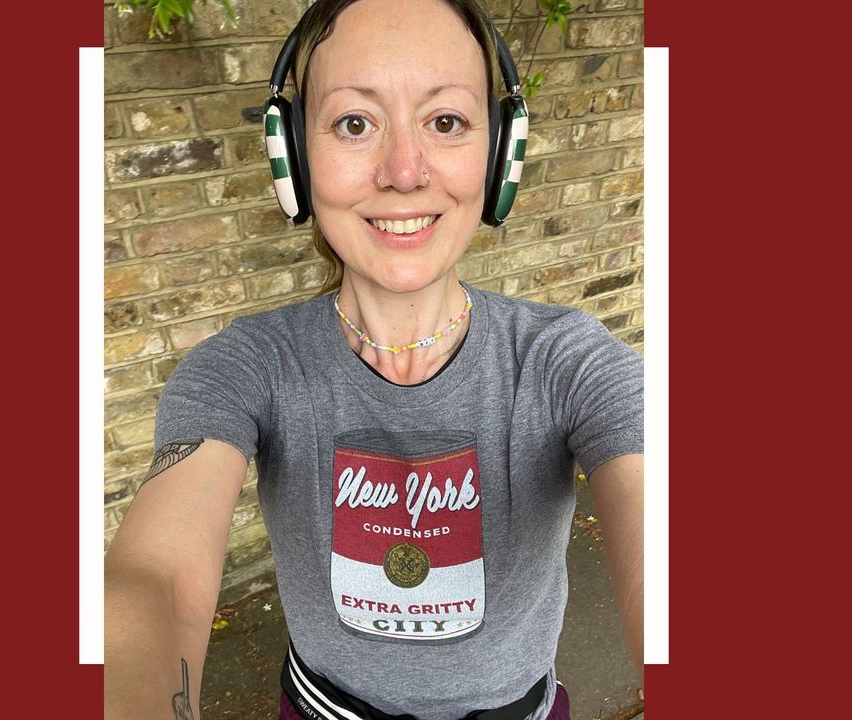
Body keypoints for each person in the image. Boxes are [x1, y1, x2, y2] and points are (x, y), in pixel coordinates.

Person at [104, 1, 643, 718]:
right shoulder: (241, 370)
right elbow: (155, 580)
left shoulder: (567, 361)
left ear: (501, 152)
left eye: (445, 121)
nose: (403, 170)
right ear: (291, 156)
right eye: (354, 123)